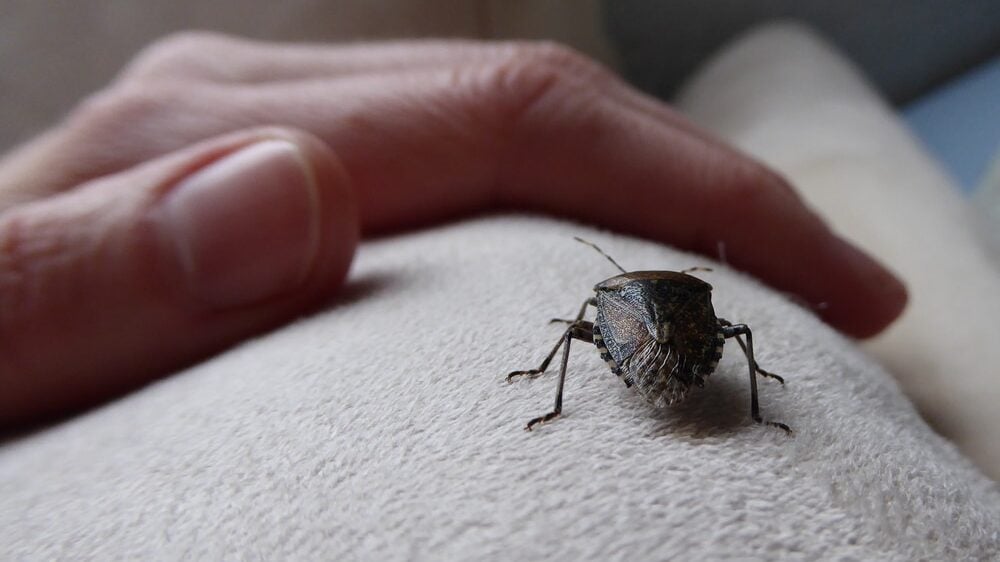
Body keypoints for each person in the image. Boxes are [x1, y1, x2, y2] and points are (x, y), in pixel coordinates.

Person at [0, 34, 906, 427]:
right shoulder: (697, 304)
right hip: (699, 348)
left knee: (569, 335)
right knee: (734, 335)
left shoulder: (602, 309)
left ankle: (551, 399)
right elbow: (726, 332)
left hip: (648, 335)